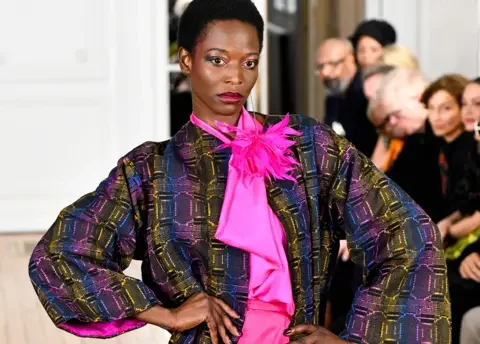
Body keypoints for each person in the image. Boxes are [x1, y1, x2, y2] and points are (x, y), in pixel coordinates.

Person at [29, 1, 451, 343]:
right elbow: (60, 254)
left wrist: (356, 339)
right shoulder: (152, 170)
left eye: (249, 63)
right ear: (186, 60)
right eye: (217, 59)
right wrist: (166, 314)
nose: (235, 76)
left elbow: (407, 230)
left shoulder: (308, 145)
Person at [316, 38, 378, 157]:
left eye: (332, 64)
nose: (325, 73)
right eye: (321, 67)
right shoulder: (332, 100)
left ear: (350, 58)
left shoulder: (368, 92)